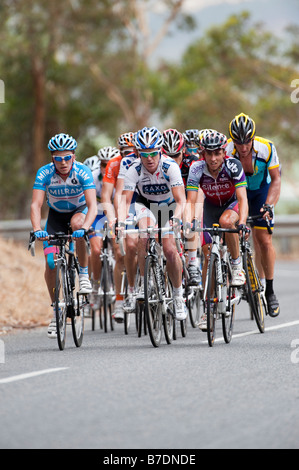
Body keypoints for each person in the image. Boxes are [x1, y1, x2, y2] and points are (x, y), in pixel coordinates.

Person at [30, 133, 97, 338]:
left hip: (79, 212)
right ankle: (56, 310)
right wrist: (36, 229)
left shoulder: (83, 172)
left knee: (78, 226)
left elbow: (93, 205)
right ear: (53, 159)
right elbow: (36, 204)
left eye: (67, 157)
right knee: (50, 262)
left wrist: (85, 227)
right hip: (56, 217)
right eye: (58, 158)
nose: (63, 162)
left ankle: (84, 274)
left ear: (74, 157)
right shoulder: (45, 173)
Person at [118, 126, 187, 321]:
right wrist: (121, 223)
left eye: (154, 153)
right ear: (138, 153)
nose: (149, 158)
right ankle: (142, 282)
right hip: (146, 205)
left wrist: (176, 219)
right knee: (144, 235)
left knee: (169, 249)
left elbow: (181, 200)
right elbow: (125, 201)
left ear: (160, 151)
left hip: (168, 206)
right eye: (144, 154)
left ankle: (178, 295)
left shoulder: (170, 166)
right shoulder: (134, 169)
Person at [186, 129, 248, 330]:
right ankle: (208, 308)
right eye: (208, 154)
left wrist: (243, 222)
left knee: (227, 222)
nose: (213, 159)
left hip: (231, 206)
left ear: (224, 152)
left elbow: (243, 199)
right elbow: (191, 201)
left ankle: (237, 265)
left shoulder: (233, 165)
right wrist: (190, 221)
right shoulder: (196, 168)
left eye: (217, 153)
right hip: (210, 208)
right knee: (207, 255)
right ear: (202, 153)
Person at [227, 112, 281, 317]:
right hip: (237, 192)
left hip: (260, 193)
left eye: (247, 142)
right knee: (229, 230)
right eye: (238, 142)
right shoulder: (226, 151)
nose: (243, 147)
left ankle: (270, 291)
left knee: (264, 240)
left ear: (253, 138)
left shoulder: (266, 148)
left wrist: (269, 205)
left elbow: (276, 179)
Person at [162, 128, 201, 286]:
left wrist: (192, 218)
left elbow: (195, 196)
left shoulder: (192, 162)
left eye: (176, 156)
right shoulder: (158, 164)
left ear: (183, 150)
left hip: (188, 197)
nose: (172, 160)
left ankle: (192, 263)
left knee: (189, 219)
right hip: (167, 201)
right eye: (168, 156)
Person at [83, 148, 119, 295]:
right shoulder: (92, 177)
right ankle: (96, 284)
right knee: (96, 250)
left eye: (109, 164)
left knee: (118, 250)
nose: (106, 168)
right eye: (104, 165)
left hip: (114, 215)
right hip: (96, 216)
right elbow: (85, 202)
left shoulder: (121, 178)